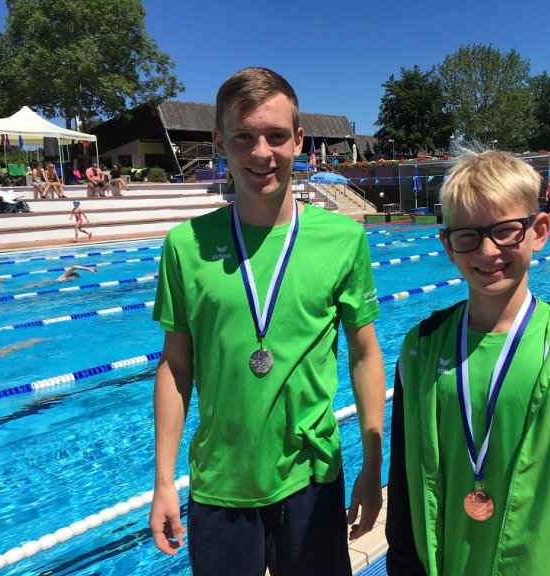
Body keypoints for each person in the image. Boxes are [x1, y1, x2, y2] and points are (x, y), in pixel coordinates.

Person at [149, 67, 385, 576]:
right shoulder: (184, 247)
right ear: (219, 141)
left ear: (299, 141)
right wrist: (164, 480)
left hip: (314, 480)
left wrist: (372, 460)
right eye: (244, 136)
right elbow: (175, 365)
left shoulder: (343, 240)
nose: (261, 153)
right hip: (220, 482)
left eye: (276, 136)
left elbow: (365, 352)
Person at [385, 148, 550, 576]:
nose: (487, 251)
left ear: (539, 231)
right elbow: (406, 485)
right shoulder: (419, 351)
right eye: (467, 236)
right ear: (448, 246)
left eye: (506, 231)